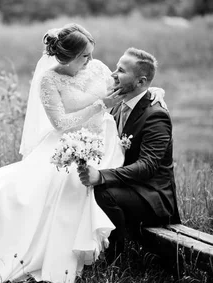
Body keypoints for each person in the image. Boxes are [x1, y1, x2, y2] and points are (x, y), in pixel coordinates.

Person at [0, 24, 166, 283]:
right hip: (67, 141)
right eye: (84, 56)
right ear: (67, 58)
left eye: (92, 53)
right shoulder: (49, 80)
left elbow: (132, 85)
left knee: (73, 186)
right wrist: (99, 106)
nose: (91, 60)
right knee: (5, 191)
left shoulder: (98, 68)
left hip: (103, 142)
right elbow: (61, 124)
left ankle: (89, 249)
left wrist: (153, 91)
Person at [78, 47, 181, 264]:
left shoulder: (156, 116)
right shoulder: (118, 107)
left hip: (152, 196)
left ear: (141, 82)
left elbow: (147, 166)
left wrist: (102, 176)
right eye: (116, 68)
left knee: (101, 193)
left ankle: (115, 259)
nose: (113, 74)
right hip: (128, 186)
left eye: (121, 71)